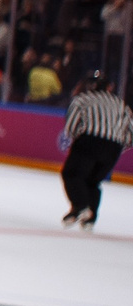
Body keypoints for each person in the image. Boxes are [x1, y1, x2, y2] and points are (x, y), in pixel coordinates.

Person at [59, 71, 131, 228]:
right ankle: (89, 216)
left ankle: (81, 206)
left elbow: (71, 125)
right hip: (114, 146)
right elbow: (130, 132)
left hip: (89, 141)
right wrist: (117, 145)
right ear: (109, 87)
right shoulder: (120, 104)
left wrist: (79, 140)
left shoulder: (82, 99)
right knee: (93, 181)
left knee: (71, 174)